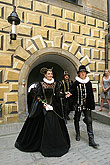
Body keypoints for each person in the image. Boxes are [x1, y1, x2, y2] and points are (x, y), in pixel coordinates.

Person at [15, 67, 70, 157]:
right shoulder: (40, 84)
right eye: (48, 74)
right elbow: (38, 96)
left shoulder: (56, 84)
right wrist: (43, 104)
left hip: (52, 107)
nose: (50, 75)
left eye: (51, 74)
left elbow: (57, 95)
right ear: (45, 75)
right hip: (42, 108)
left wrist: (64, 94)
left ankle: (54, 144)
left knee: (54, 124)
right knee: (39, 125)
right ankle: (40, 144)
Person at [70, 65, 99, 148]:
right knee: (76, 119)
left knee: (89, 120)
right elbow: (71, 92)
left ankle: (91, 139)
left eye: (84, 72)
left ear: (86, 74)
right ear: (79, 74)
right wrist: (71, 101)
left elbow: (91, 95)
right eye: (81, 72)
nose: (83, 74)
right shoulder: (75, 83)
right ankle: (78, 134)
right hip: (78, 105)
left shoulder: (88, 83)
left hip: (87, 106)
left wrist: (92, 105)